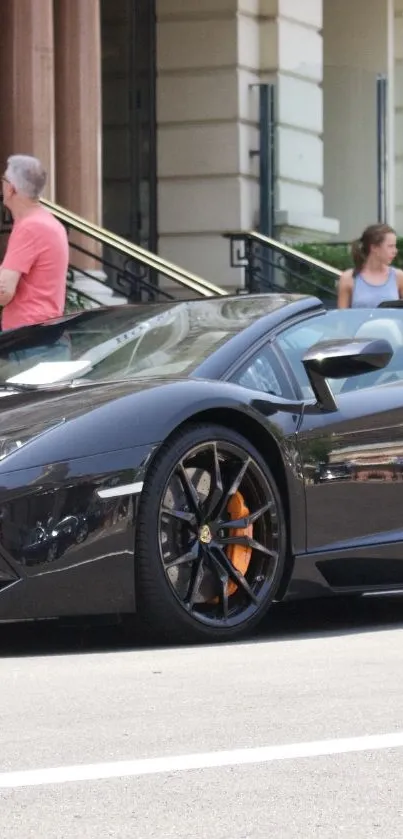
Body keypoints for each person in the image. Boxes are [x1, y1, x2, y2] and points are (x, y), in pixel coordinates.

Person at [0, 154, 68, 330]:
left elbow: (3, 291)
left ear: (11, 188)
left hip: (28, 338)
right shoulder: (47, 221)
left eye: (3, 179)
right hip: (43, 332)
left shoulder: (30, 228)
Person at [337, 223, 403, 308]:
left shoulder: (399, 276)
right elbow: (341, 317)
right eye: (390, 246)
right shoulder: (348, 278)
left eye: (395, 246)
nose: (395, 251)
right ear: (374, 248)